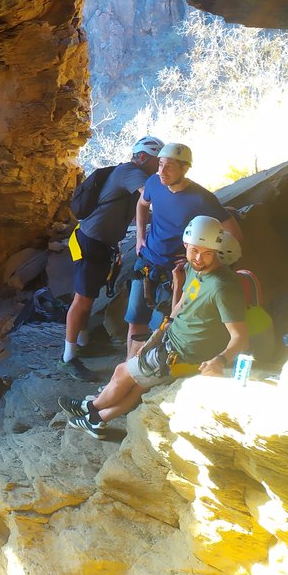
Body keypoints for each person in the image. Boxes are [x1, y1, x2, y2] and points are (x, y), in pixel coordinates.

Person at [61, 215, 249, 439]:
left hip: (182, 353)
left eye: (207, 252)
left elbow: (240, 337)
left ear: (216, 250)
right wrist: (177, 286)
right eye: (195, 250)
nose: (199, 258)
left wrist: (220, 360)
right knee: (138, 385)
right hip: (172, 337)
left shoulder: (222, 286)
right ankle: (97, 421)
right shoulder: (192, 270)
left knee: (124, 371)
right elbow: (180, 306)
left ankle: (90, 408)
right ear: (186, 245)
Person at [124, 142, 243, 357]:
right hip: (147, 262)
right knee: (135, 322)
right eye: (160, 164)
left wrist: (196, 260)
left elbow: (233, 234)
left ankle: (149, 377)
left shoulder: (201, 198)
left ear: (184, 168)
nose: (162, 171)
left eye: (169, 166)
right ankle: (128, 369)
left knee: (164, 327)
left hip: (176, 272)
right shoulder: (153, 183)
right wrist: (140, 236)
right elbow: (142, 205)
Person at [60, 135, 164, 381]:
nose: (159, 167)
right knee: (83, 300)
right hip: (90, 242)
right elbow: (151, 197)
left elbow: (138, 212)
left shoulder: (130, 175)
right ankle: (67, 357)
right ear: (141, 157)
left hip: (99, 242)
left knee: (89, 295)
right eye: (156, 161)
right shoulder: (131, 172)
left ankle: (83, 342)